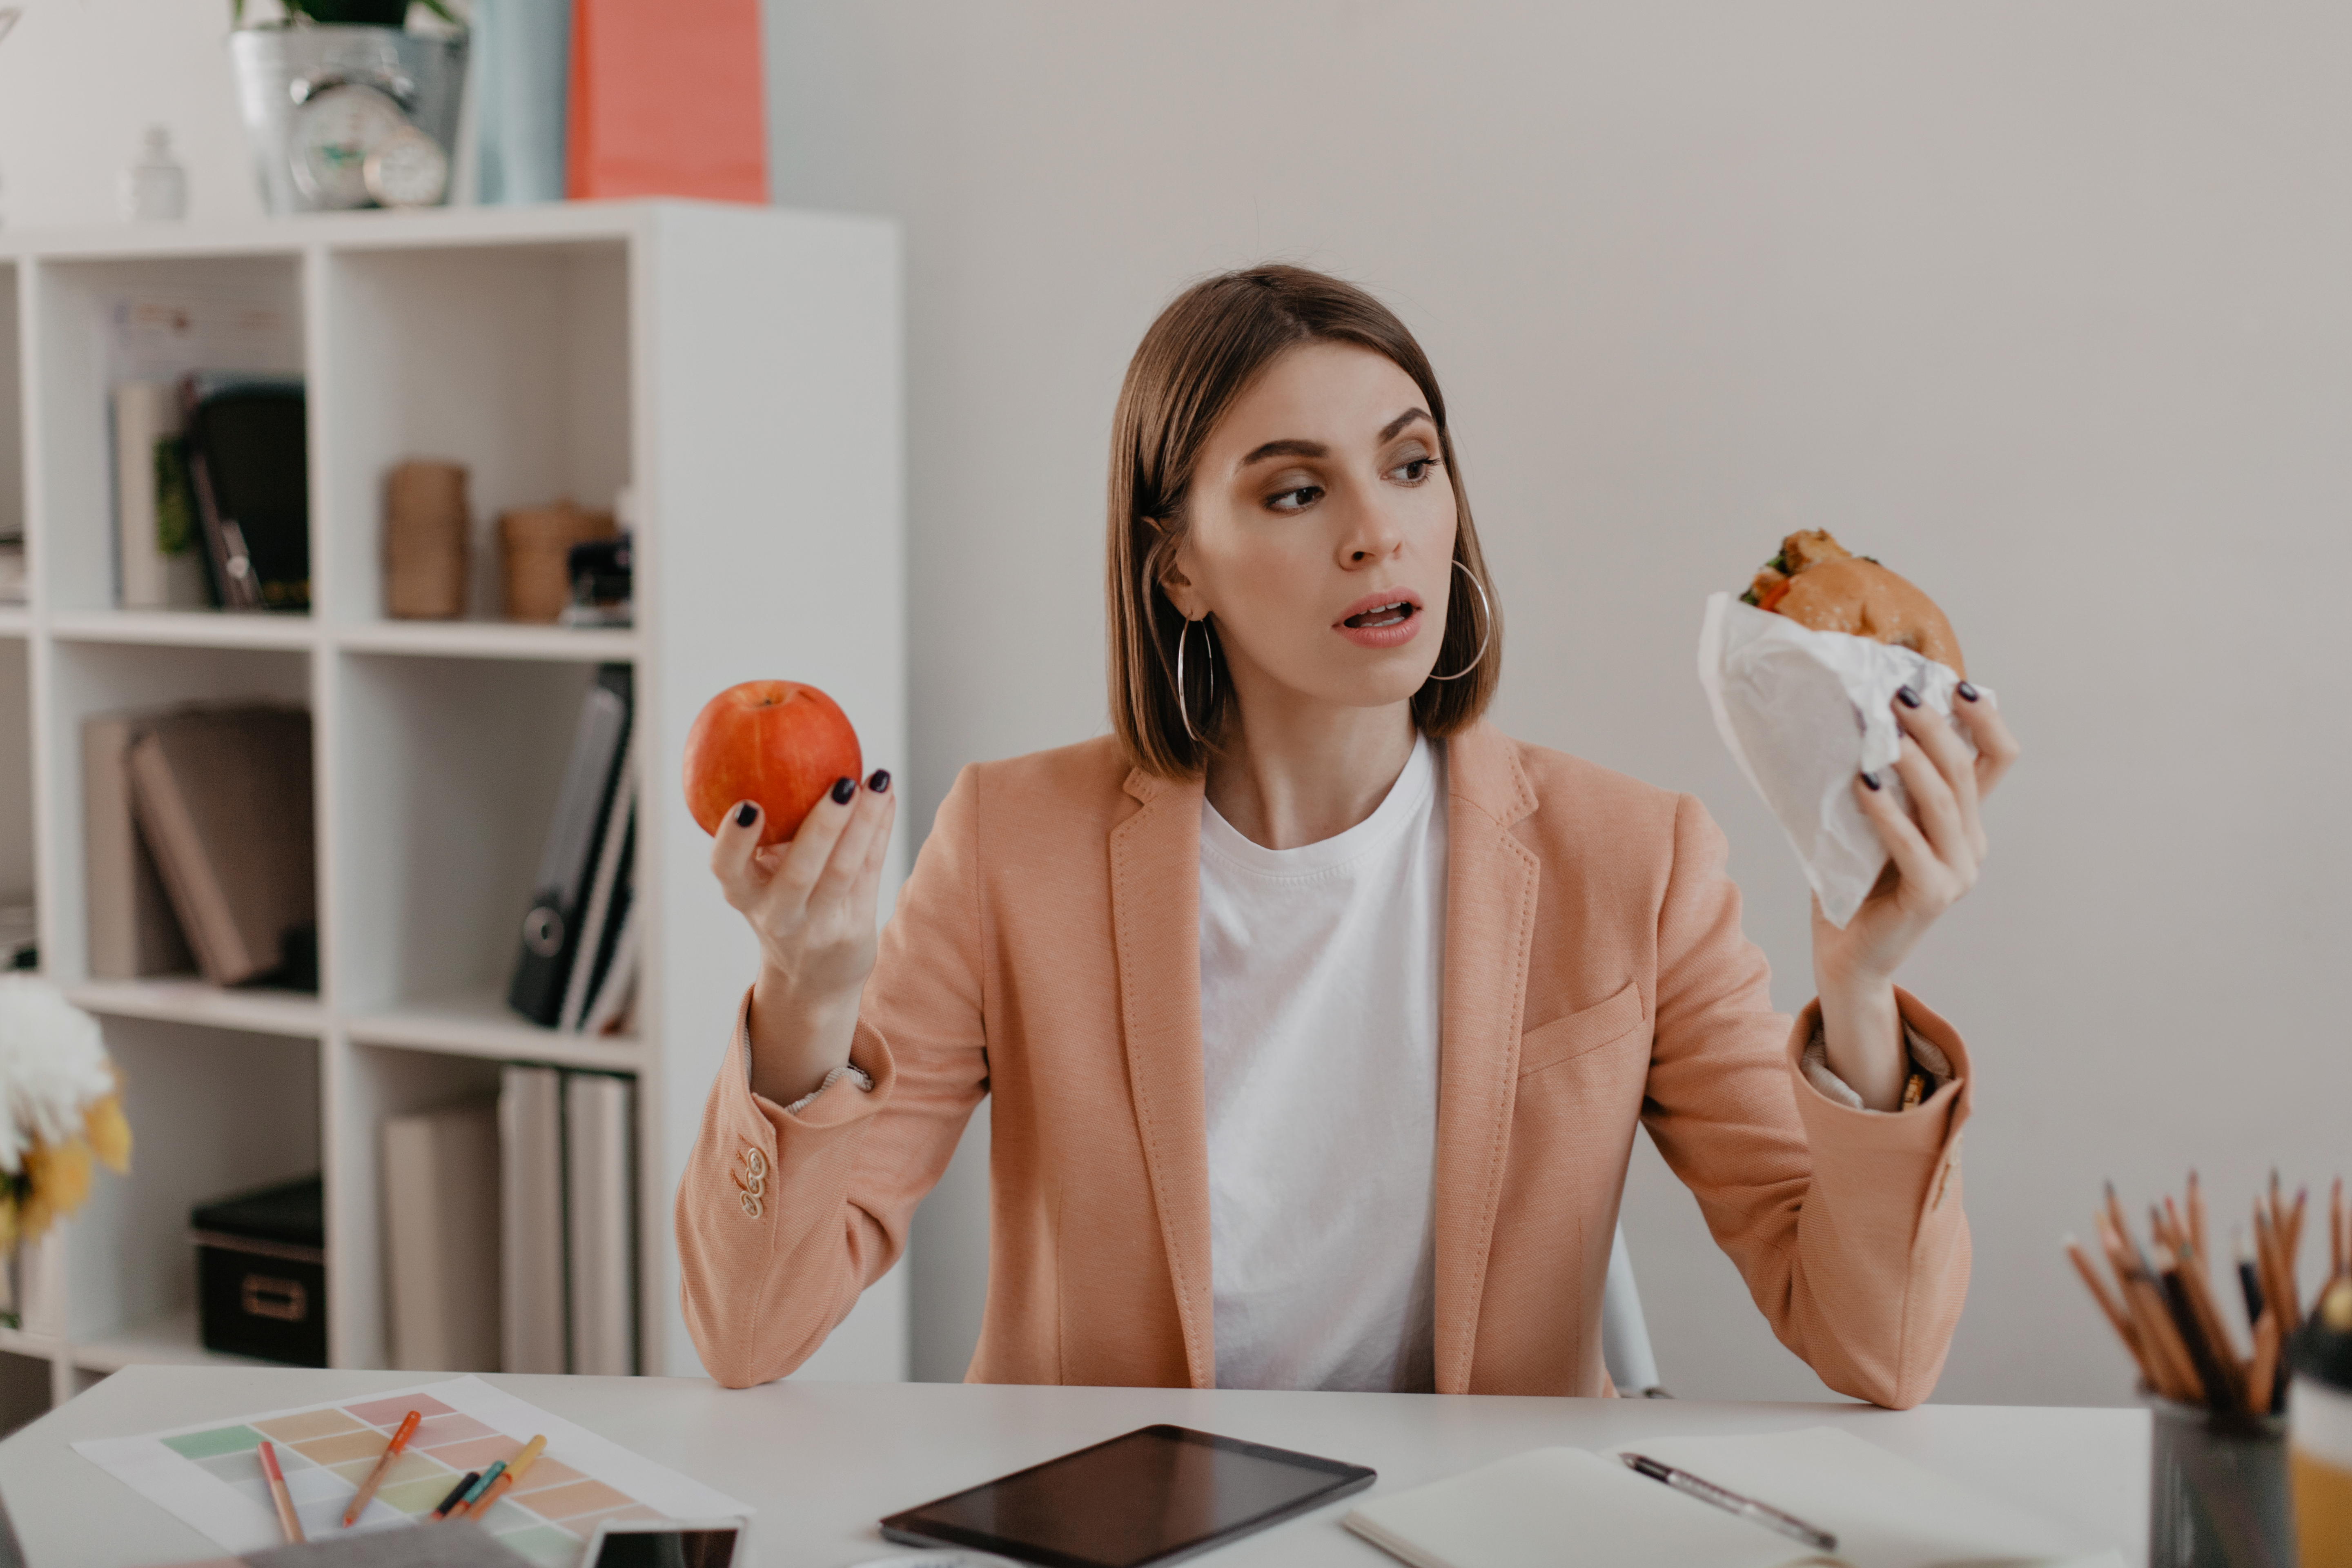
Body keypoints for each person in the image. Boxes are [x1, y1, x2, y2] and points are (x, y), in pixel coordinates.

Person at [676, 265, 2020, 1407]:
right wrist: (804, 1002)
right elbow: (753, 1337)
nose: (1381, 531)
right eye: (1295, 493)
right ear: (1179, 569)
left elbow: (1874, 1347)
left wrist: (1858, 989)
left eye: (1411, 463)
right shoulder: (1008, 846)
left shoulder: (1636, 859)